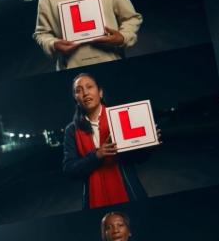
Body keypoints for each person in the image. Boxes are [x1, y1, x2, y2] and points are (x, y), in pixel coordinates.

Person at [62, 73, 154, 209]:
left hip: (128, 191)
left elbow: (139, 158)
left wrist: (148, 144)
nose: (85, 93)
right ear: (76, 98)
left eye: (89, 87)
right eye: (78, 90)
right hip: (93, 198)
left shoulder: (118, 117)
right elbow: (69, 169)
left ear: (100, 92)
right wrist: (97, 155)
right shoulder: (71, 130)